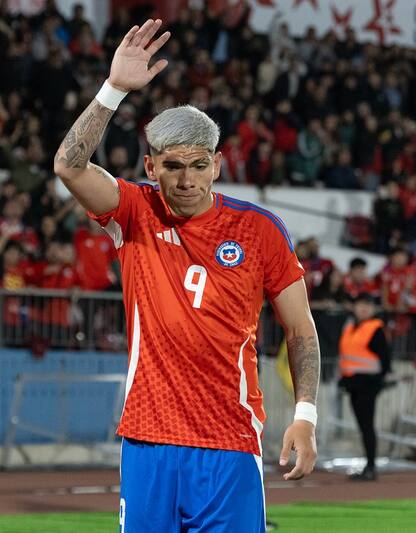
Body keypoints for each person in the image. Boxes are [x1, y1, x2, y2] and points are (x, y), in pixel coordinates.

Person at [53, 19, 319, 532]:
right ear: (150, 167)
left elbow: (301, 330)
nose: (187, 179)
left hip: (229, 439)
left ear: (217, 165)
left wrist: (305, 417)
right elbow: (68, 165)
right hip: (149, 438)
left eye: (199, 165)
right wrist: (113, 91)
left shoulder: (260, 230)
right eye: (173, 166)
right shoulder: (135, 211)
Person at [338, 293, 391, 481]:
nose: (363, 309)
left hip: (368, 384)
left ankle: (371, 466)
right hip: (354, 384)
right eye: (360, 305)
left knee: (367, 426)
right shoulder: (351, 326)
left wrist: (378, 382)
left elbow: (385, 359)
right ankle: (369, 465)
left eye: (367, 306)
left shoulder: (374, 329)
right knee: (363, 426)